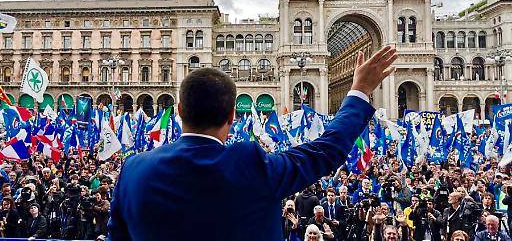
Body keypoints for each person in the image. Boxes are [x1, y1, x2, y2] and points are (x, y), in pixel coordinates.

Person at [108, 46, 397, 240]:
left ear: (180, 110)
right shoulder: (250, 164)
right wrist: (359, 90)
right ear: (232, 115)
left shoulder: (133, 170)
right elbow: (326, 151)